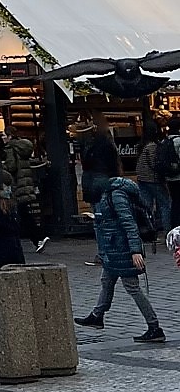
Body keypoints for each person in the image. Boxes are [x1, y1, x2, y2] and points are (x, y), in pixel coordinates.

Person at [76, 160, 167, 343]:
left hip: (122, 248)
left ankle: (154, 326)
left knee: (132, 287)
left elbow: (129, 223)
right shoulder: (106, 193)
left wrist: (135, 251)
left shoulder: (116, 193)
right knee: (106, 280)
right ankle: (97, 315)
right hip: (113, 248)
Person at [5, 135, 51, 251]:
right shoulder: (23, 147)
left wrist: (3, 166)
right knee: (25, 213)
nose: (3, 138)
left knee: (21, 214)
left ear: (9, 136)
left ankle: (38, 238)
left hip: (17, 184)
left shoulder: (11, 149)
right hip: (26, 183)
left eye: (4, 135)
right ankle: (38, 238)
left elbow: (11, 166)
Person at [136, 133, 170, 242]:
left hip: (142, 179)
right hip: (153, 179)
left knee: (147, 207)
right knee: (165, 204)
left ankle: (150, 232)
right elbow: (155, 164)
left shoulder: (142, 146)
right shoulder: (152, 147)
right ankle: (167, 232)